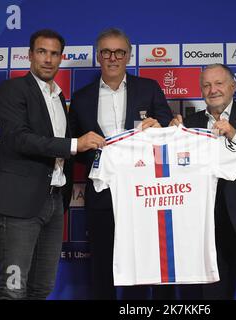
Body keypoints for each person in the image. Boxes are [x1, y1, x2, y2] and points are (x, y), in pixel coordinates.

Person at [0, 29, 103, 299]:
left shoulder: (59, 97)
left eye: (54, 54)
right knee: (13, 289)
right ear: (30, 55)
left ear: (61, 57)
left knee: (42, 288)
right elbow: (19, 139)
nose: (48, 59)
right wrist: (75, 144)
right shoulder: (12, 89)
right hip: (18, 203)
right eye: (42, 52)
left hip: (54, 202)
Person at [69, 28, 173, 299]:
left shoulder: (149, 89)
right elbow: (74, 147)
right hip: (102, 194)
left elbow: (169, 133)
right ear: (98, 56)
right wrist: (92, 150)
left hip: (144, 193)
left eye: (119, 52)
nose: (113, 58)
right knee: (102, 264)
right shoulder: (81, 98)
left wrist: (159, 125)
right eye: (106, 51)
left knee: (143, 263)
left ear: (129, 55)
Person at [170, 64, 236, 299]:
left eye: (219, 83)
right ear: (201, 90)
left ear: (233, 86)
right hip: (205, 231)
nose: (213, 90)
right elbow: (174, 171)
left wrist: (234, 134)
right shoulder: (189, 124)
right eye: (207, 85)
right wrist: (170, 139)